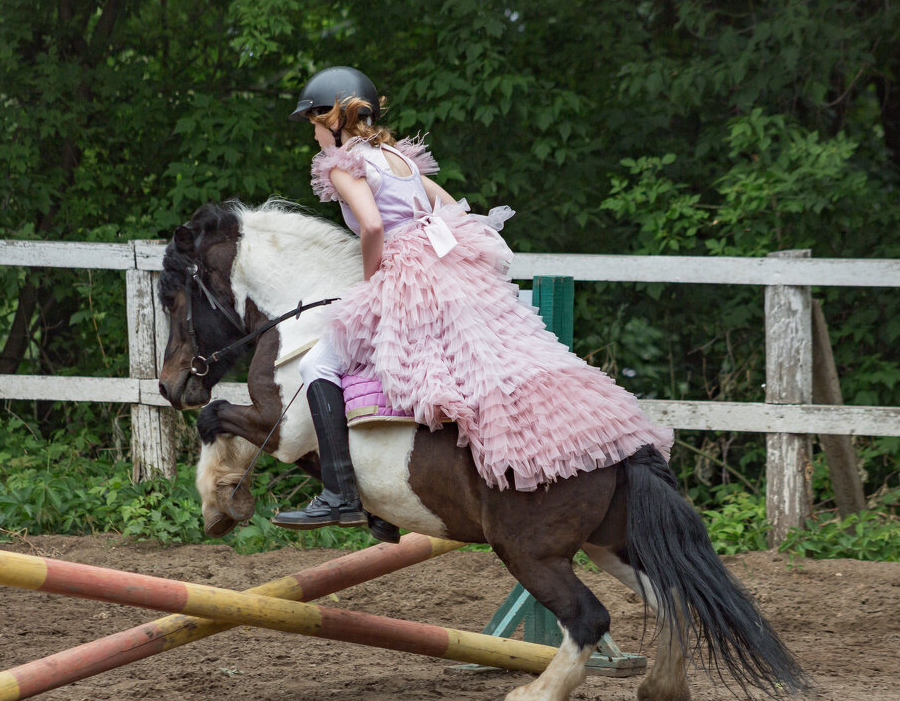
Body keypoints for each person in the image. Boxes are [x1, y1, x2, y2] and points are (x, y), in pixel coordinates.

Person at [273, 66, 673, 537]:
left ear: (333, 117)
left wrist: (372, 283)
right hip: (442, 269)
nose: (314, 134)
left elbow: (374, 226)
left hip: (404, 273)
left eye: (314, 123)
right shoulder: (397, 157)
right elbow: (450, 209)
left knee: (317, 364)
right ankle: (381, 500)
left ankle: (340, 495)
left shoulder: (343, 165)